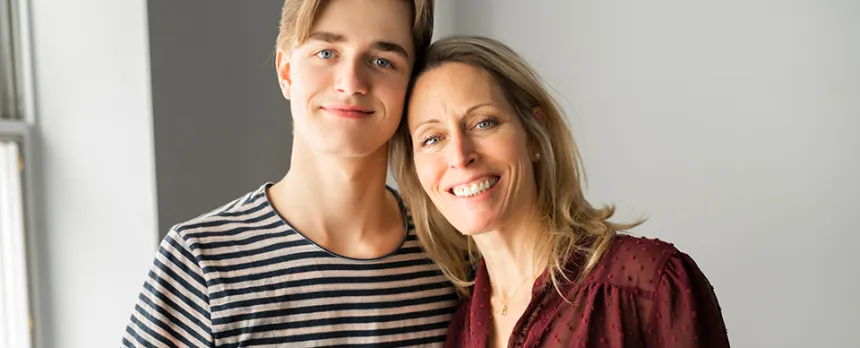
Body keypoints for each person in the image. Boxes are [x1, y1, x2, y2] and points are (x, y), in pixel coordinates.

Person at [123, 1, 460, 347]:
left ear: (412, 86)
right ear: (286, 72)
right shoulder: (200, 262)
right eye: (327, 53)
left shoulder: (453, 251)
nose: (351, 83)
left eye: (382, 61)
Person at [390, 35, 730, 347]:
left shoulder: (650, 283)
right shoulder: (460, 331)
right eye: (432, 139)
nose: (461, 156)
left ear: (536, 135)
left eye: (484, 122)